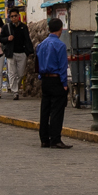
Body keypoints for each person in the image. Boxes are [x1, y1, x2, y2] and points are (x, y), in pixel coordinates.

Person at [36, 16, 71, 149]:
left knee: (45, 109)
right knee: (57, 110)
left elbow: (38, 63)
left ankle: (44, 138)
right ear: (60, 29)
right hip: (56, 78)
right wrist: (64, 83)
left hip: (45, 78)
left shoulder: (41, 44)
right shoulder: (60, 45)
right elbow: (62, 66)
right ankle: (55, 138)